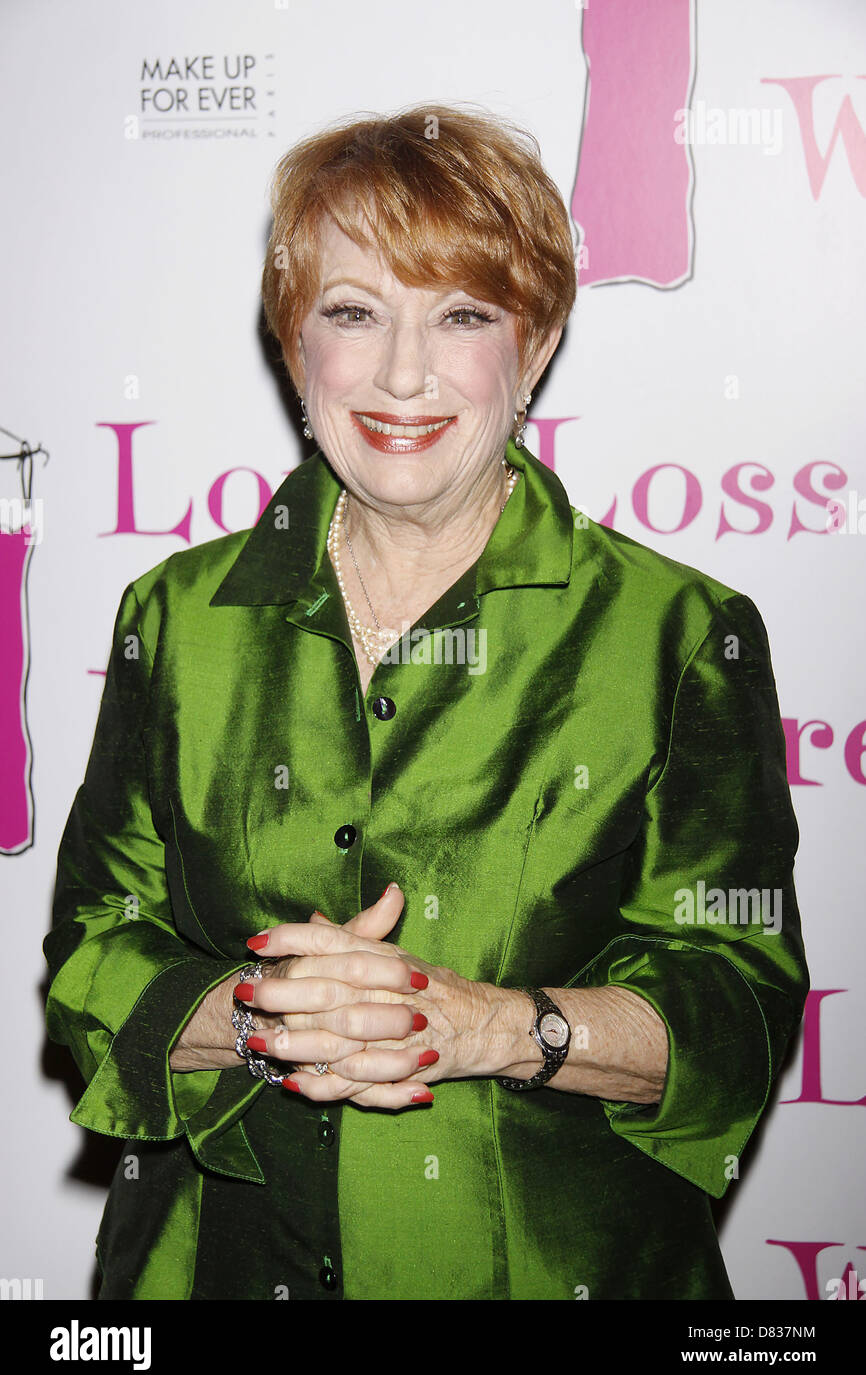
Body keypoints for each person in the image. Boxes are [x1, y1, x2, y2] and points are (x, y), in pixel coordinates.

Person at [44, 103, 809, 1301]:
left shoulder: (674, 633)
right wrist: (258, 1016)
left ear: (536, 340)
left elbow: (733, 1007)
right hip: (219, 1272)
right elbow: (91, 949)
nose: (403, 373)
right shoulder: (174, 617)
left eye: (461, 315)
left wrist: (494, 1026)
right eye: (353, 312)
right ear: (295, 343)